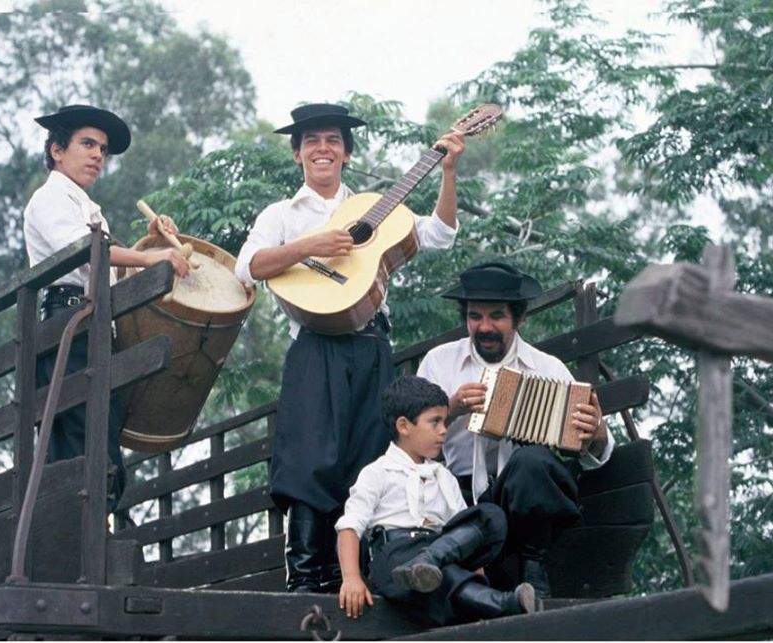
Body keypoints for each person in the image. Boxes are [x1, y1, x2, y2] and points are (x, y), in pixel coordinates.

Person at [234, 103, 465, 593]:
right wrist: (309, 245)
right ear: (297, 153)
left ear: (346, 153)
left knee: (369, 456)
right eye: (312, 140)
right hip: (315, 344)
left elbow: (440, 233)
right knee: (307, 456)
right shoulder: (281, 214)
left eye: (333, 140)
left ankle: (355, 574)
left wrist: (448, 171)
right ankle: (305, 576)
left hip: (373, 343)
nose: (323, 148)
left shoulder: (371, 209)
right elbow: (247, 267)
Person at [24, 104, 190, 508]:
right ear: (57, 150)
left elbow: (109, 269)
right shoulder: (48, 199)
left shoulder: (85, 206)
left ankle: (97, 531)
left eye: (102, 149)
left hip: (95, 325)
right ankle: (84, 541)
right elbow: (86, 253)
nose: (98, 154)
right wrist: (151, 259)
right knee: (82, 439)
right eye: (87, 144)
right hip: (68, 324)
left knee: (101, 434)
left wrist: (148, 244)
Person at [416, 261, 615, 596]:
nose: (484, 327)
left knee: (532, 461)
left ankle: (532, 565)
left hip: (528, 502)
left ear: (519, 318)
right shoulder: (438, 362)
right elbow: (411, 443)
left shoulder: (547, 367)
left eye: (497, 316)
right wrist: (451, 409)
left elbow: (596, 455)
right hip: (460, 498)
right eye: (475, 316)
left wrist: (594, 434)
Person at [335, 376, 535, 626]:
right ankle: (506, 604)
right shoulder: (377, 472)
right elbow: (349, 527)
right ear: (404, 426)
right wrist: (351, 578)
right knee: (444, 576)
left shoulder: (444, 476)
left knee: (490, 516)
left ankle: (429, 561)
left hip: (441, 557)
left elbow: (465, 530)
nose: (444, 430)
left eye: (444, 421)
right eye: (435, 422)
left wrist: (476, 571)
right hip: (396, 558)